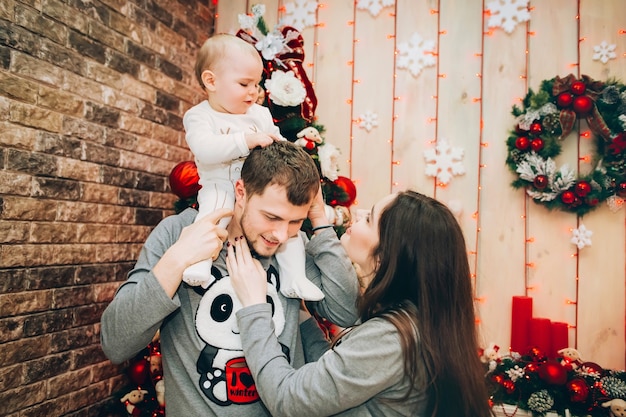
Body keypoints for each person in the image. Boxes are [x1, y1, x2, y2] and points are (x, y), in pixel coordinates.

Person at [100, 141, 360, 416]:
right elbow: (116, 343)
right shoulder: (178, 232)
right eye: (271, 217)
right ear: (241, 193)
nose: (281, 234)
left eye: (295, 221)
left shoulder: (292, 248)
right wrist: (176, 260)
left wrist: (320, 222)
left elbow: (345, 311)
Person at [228, 190, 494, 417]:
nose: (358, 213)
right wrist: (304, 319)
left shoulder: (392, 338)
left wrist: (253, 307)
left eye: (369, 218)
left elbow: (288, 399)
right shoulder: (415, 323)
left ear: (385, 255)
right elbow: (340, 378)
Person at [182, 33, 323, 301]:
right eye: (244, 83)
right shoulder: (200, 116)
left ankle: (295, 279)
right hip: (220, 184)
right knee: (212, 216)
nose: (253, 92)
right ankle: (198, 263)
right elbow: (205, 149)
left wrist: (295, 144)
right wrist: (245, 140)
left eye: (256, 84)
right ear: (211, 81)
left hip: (259, 188)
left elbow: (276, 141)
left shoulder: (259, 114)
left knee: (288, 232)